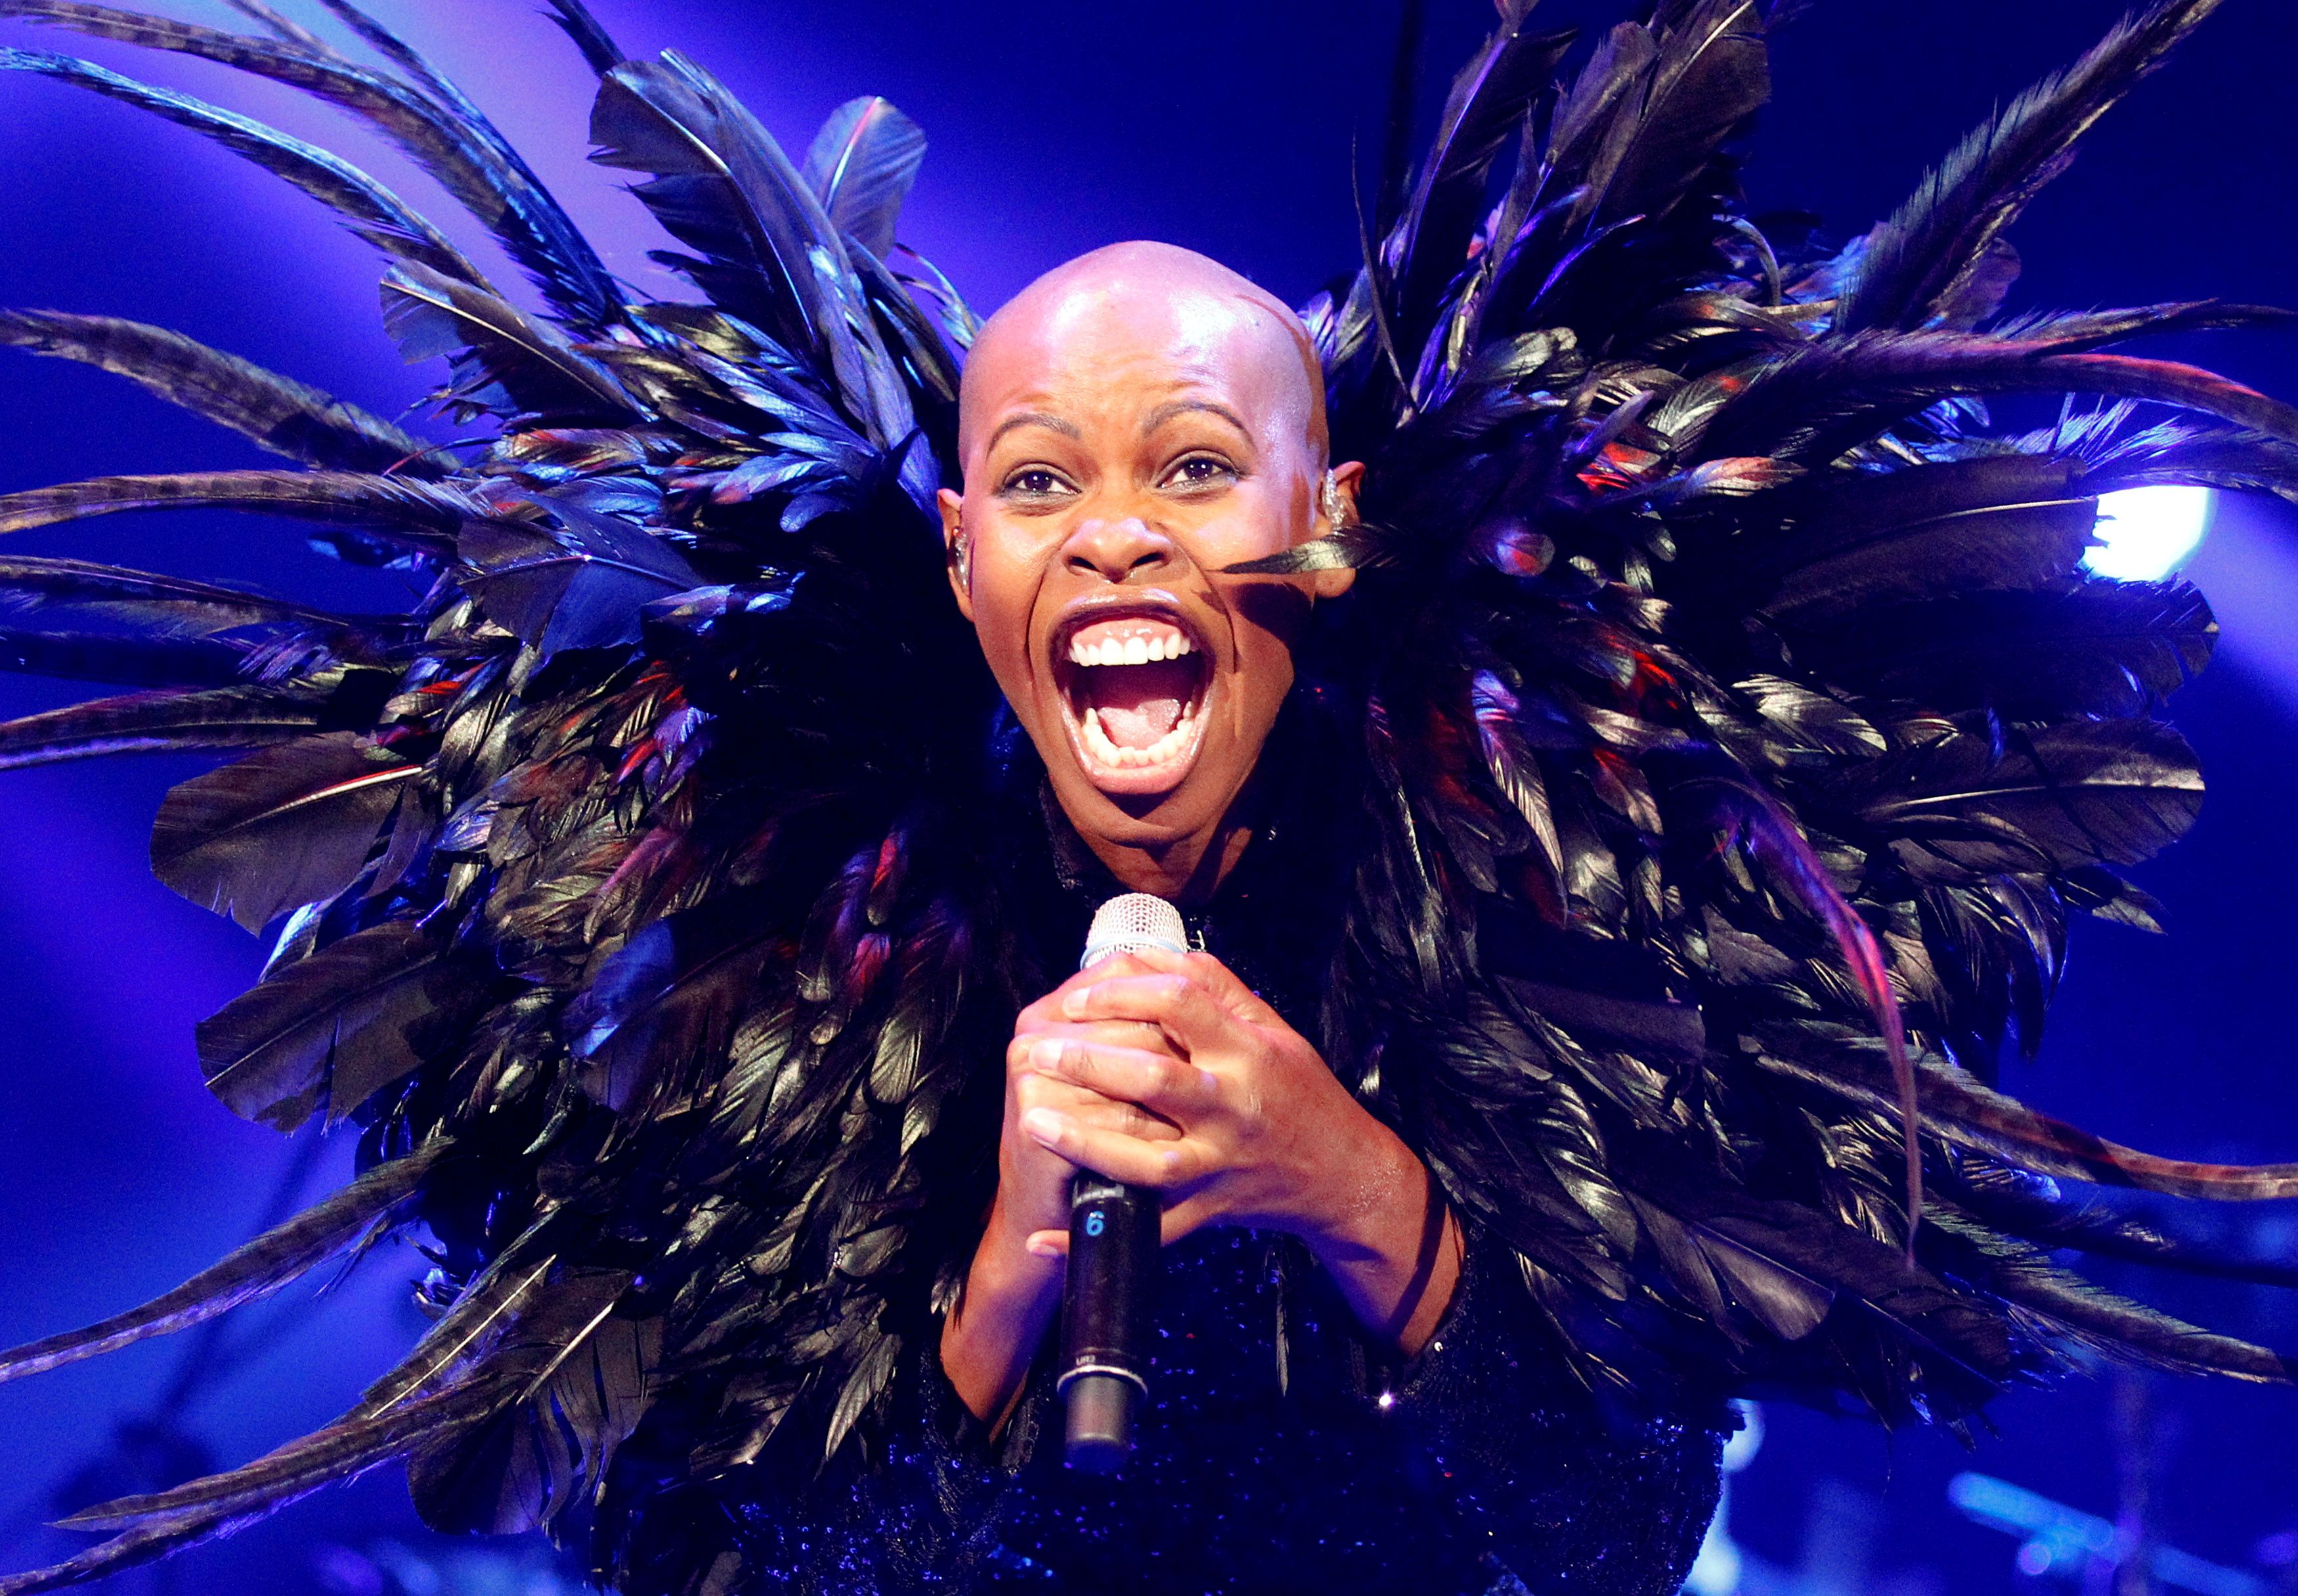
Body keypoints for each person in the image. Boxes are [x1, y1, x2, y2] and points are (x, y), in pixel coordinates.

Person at [0, 1, 2295, 1593]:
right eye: (1038, 482)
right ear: (959, 560)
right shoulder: (757, 956)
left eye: (1194, 469)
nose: (1110, 535)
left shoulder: (1543, 906)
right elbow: (724, 1567)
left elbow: (1608, 1544)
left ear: (1329, 523)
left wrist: (1361, 1193)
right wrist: (1008, 1266)